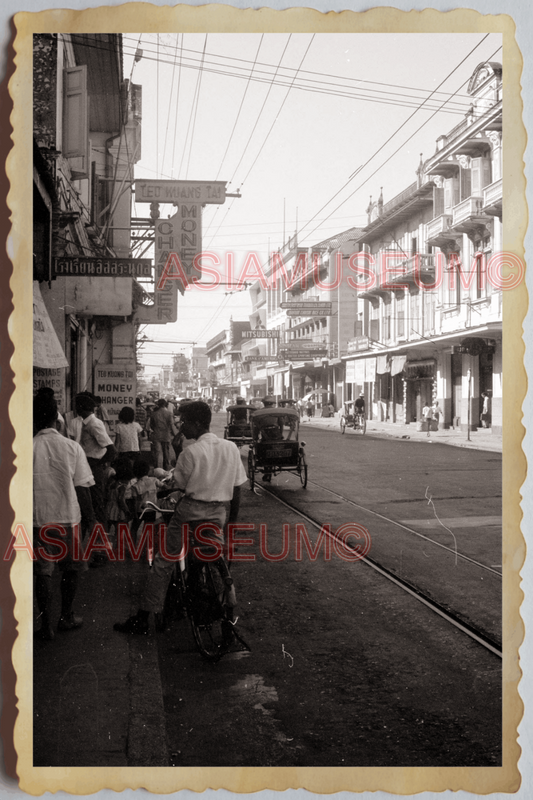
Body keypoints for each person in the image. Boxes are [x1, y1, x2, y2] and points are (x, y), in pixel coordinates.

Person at [114, 401, 247, 635]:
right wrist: (231, 523)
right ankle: (225, 615)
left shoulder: (191, 452)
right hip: (218, 515)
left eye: (184, 421)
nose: (181, 426)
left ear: (196, 423)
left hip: (190, 513)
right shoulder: (230, 448)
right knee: (216, 558)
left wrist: (177, 453)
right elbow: (236, 490)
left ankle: (143, 617)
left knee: (164, 562)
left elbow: (179, 485)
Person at [33, 393, 96, 640]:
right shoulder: (72, 448)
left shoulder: (25, 448)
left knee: (43, 571)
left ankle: (45, 624)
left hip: (37, 520)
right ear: (56, 420)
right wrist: (91, 521)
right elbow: (83, 489)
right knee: (71, 569)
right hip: (69, 519)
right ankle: (66, 616)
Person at [75, 393, 117, 528]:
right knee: (90, 501)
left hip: (93, 466)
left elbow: (111, 450)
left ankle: (101, 536)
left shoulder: (93, 424)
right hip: (89, 464)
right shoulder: (87, 423)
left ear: (81, 408)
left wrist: (97, 464)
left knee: (96, 501)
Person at [148, 398, 177, 470]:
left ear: (158, 404)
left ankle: (157, 468)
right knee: (166, 452)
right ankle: (166, 467)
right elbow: (171, 425)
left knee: (157, 453)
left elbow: (152, 425)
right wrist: (175, 435)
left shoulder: (154, 414)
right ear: (165, 405)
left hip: (157, 435)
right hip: (166, 435)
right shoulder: (169, 414)